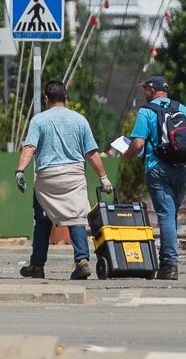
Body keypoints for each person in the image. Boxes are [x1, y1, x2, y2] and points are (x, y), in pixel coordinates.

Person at [15, 80, 113, 281]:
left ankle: (37, 265)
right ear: (65, 98)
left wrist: (20, 171)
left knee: (42, 220)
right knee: (76, 218)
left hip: (47, 180)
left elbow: (30, 147)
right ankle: (82, 261)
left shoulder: (38, 120)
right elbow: (91, 152)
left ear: (46, 99)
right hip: (74, 178)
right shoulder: (80, 120)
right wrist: (103, 178)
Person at [127, 75, 186, 281]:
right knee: (171, 214)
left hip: (158, 169)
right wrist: (183, 158)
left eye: (145, 89)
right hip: (183, 169)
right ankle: (165, 263)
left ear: (151, 90)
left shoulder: (146, 111)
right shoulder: (183, 109)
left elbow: (138, 144)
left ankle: (169, 265)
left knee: (166, 215)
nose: (144, 93)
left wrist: (127, 155)